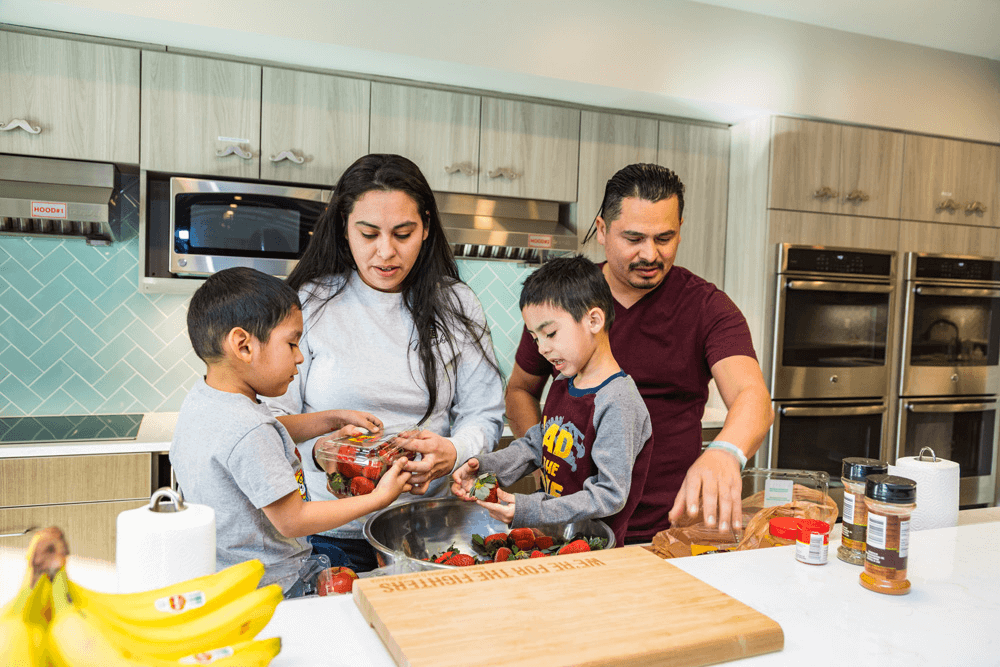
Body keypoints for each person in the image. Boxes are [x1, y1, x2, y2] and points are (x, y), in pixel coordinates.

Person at [505, 163, 774, 543]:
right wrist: (543, 459)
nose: (650, 254)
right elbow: (520, 389)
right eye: (633, 238)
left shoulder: (707, 308)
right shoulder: (564, 301)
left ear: (681, 229)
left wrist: (726, 452)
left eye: (665, 238)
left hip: (665, 532)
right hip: (569, 525)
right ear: (601, 230)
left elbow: (754, 398)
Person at [264, 154, 505, 571]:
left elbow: (484, 414)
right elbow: (272, 419)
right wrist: (324, 451)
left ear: (426, 228)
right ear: (344, 228)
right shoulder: (310, 301)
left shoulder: (457, 303)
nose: (386, 252)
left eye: (403, 233)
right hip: (331, 534)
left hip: (429, 531)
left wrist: (452, 450)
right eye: (369, 233)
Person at [169, 267, 413, 597]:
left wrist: (332, 418)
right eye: (292, 343)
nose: (299, 357)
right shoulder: (249, 430)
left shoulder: (209, 401)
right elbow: (293, 520)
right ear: (243, 346)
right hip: (275, 587)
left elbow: (268, 433)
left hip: (226, 575)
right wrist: (379, 498)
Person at [452, 256, 653, 547]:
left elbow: (609, 494)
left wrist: (531, 510)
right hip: (555, 542)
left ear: (593, 320)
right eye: (535, 338)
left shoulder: (618, 401)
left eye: (551, 333)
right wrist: (485, 468)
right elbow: (538, 444)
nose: (543, 349)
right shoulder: (563, 383)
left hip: (593, 553)